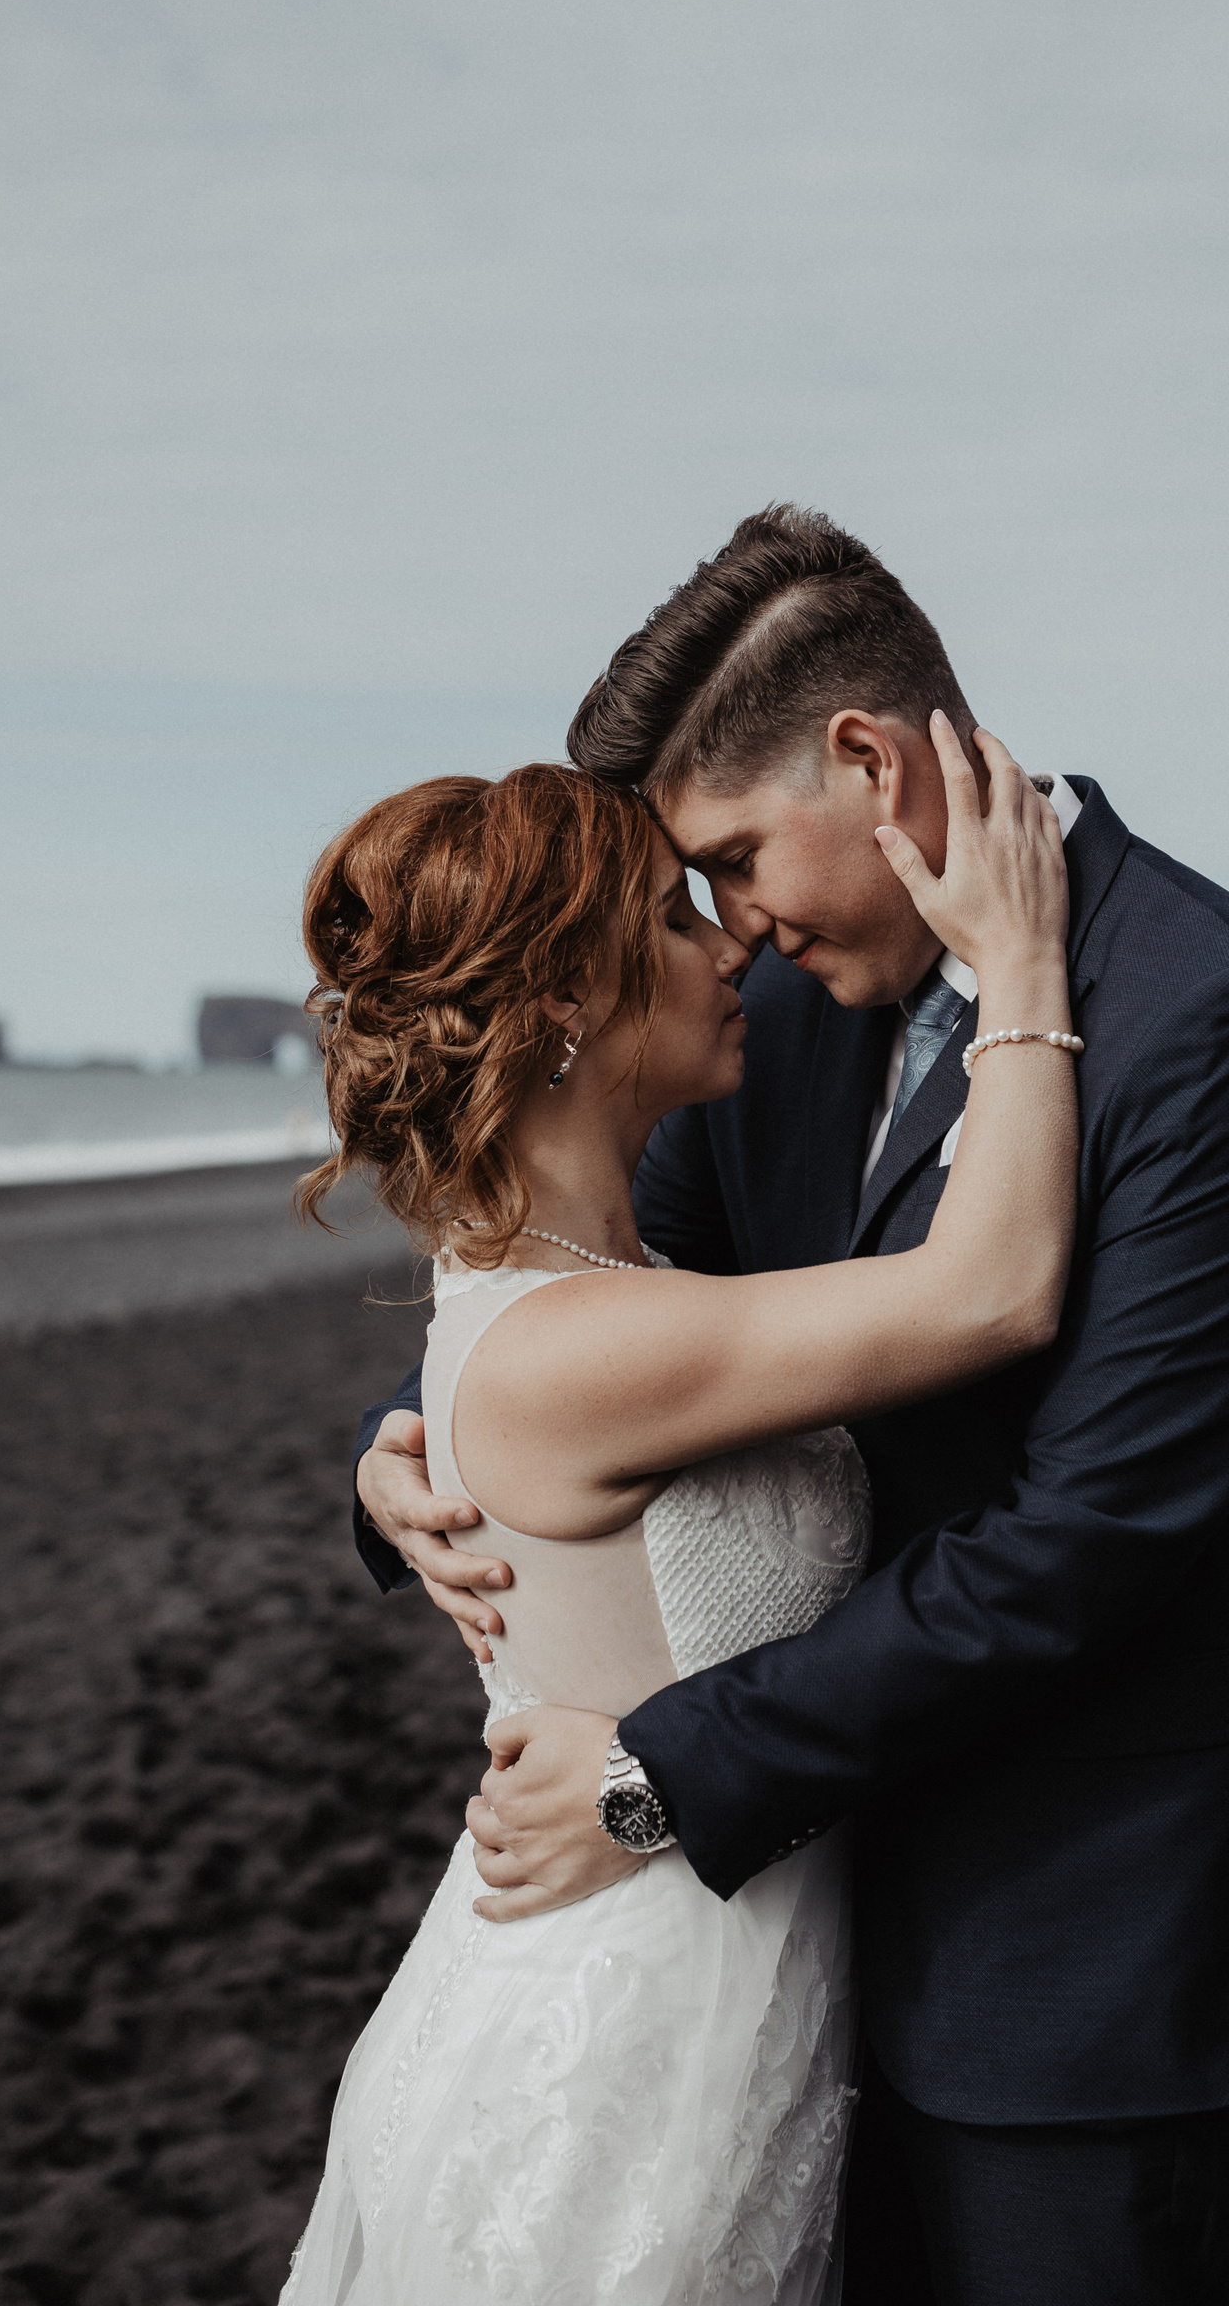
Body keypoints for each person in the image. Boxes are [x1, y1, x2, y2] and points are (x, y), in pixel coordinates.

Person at [355, 505, 1229, 2306]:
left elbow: (1092, 1536)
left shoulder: (1214, 1021)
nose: (729, 927)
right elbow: (604, 1297)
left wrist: (668, 1775)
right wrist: (417, 1462)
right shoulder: (790, 1019)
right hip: (786, 1951)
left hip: (1085, 1962)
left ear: (866, 759)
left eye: (736, 858)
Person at [281, 723, 1080, 2305]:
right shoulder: (585, 1341)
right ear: (570, 999)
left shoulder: (603, 1297)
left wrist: (402, 1444)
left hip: (731, 1974)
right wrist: (1025, 974)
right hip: (626, 2011)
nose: (727, 945)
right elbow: (991, 1292)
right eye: (670, 915)